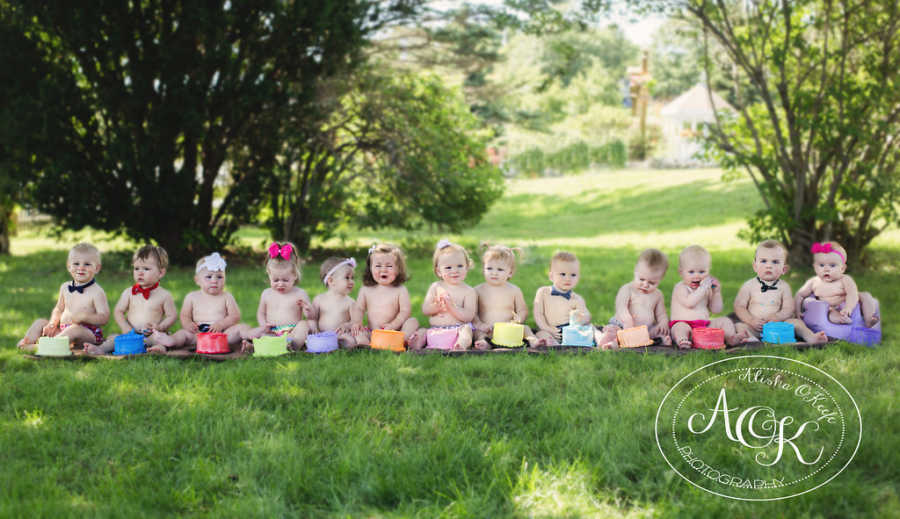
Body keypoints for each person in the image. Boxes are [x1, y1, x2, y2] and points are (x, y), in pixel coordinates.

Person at [85, 245, 178, 354]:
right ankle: (100, 349)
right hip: (131, 334)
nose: (140, 272)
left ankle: (158, 349)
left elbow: (172, 315)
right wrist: (125, 327)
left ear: (161, 273)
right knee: (114, 339)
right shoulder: (129, 292)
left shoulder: (164, 295)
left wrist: (160, 327)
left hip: (151, 335)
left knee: (161, 340)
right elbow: (118, 311)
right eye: (136, 268)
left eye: (146, 269)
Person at [18, 243, 110, 351]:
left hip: (87, 334)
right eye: (76, 263)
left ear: (97, 268)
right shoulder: (65, 287)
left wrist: (84, 317)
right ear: (68, 266)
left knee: (75, 329)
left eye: (87, 264)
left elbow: (104, 317)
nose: (81, 268)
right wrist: (52, 324)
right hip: (63, 331)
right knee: (40, 322)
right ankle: (28, 342)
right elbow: (59, 309)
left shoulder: (97, 292)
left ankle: (48, 347)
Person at [732, 240, 828, 343]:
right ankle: (752, 339)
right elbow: (739, 306)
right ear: (755, 266)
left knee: (797, 322)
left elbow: (789, 308)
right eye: (763, 261)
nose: (769, 266)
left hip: (778, 328)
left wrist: (778, 316)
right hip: (754, 327)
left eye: (775, 262)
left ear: (784, 269)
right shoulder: (749, 286)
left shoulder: (784, 287)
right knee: (739, 326)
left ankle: (810, 337)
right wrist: (750, 320)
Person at [155, 252, 248, 350]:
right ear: (197, 280)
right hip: (198, 336)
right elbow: (184, 315)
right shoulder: (192, 297)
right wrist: (188, 324)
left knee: (242, 327)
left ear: (225, 279)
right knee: (182, 334)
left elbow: (235, 316)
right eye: (209, 277)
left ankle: (250, 340)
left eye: (219, 277)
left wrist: (221, 324)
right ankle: (171, 341)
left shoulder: (227, 296)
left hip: (222, 336)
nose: (214, 281)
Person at [240, 242, 315, 352]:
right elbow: (261, 313)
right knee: (261, 335)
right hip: (272, 331)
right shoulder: (266, 293)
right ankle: (254, 347)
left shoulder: (300, 293)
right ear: (269, 274)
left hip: (292, 332)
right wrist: (264, 325)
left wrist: (308, 309)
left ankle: (292, 347)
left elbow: (310, 317)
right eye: (275, 280)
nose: (280, 284)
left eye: (285, 280)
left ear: (295, 275)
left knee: (304, 325)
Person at [669, 245, 748, 349]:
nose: (697, 276)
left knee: (725, 320)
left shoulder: (706, 289)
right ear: (681, 272)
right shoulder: (680, 288)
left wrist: (716, 293)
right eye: (691, 272)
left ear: (708, 271)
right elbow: (689, 303)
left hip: (704, 327)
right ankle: (682, 341)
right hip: (685, 325)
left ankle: (731, 338)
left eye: (702, 272)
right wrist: (702, 288)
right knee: (679, 328)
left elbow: (716, 310)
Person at [596, 248, 671, 349]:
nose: (645, 284)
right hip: (622, 325)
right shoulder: (628, 289)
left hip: (644, 330)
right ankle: (612, 343)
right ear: (635, 271)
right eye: (641, 279)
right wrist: (628, 321)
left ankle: (657, 339)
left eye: (652, 283)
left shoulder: (657, 295)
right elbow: (621, 307)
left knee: (659, 332)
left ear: (660, 279)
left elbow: (661, 314)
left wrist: (663, 323)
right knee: (613, 331)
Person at [409, 239, 477, 350]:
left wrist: (452, 307)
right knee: (422, 331)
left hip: (457, 330)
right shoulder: (436, 287)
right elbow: (425, 310)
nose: (455, 271)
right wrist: (437, 307)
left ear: (467, 267)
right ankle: (416, 344)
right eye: (448, 267)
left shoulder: (469, 291)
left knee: (467, 330)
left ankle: (460, 345)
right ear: (439, 271)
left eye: (460, 266)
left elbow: (468, 316)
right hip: (436, 330)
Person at [472, 244, 542, 349]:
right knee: (477, 332)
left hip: (509, 331)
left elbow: (522, 310)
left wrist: (519, 319)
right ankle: (483, 342)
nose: (494, 273)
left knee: (525, 328)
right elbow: (472, 313)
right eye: (489, 268)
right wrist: (480, 325)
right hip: (488, 330)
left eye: (500, 269)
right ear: (483, 269)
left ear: (510, 273)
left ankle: (532, 340)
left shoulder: (514, 290)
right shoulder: (477, 290)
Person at [794, 241, 880, 327]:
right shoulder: (814, 282)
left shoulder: (845, 279)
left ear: (842, 268)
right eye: (821, 265)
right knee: (827, 310)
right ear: (815, 267)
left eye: (832, 265)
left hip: (849, 305)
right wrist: (797, 311)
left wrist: (848, 307)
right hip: (830, 308)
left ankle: (869, 319)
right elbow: (800, 295)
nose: (826, 269)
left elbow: (852, 294)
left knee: (865, 295)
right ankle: (841, 320)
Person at [355, 243, 419, 346]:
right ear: (370, 268)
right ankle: (366, 344)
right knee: (358, 332)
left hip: (396, 331)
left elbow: (405, 311)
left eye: (389, 266)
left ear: (398, 269)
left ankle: (402, 340)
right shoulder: (365, 290)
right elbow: (359, 308)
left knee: (412, 321)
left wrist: (393, 325)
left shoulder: (400, 290)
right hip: (373, 331)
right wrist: (357, 322)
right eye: (378, 266)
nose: (383, 269)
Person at [532, 251, 593, 345]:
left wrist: (582, 318)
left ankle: (602, 339)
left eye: (573, 275)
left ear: (578, 277)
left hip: (570, 331)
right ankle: (553, 344)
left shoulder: (576, 298)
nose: (568, 278)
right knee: (541, 334)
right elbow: (538, 314)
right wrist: (547, 328)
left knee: (591, 328)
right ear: (551, 276)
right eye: (563, 274)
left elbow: (586, 315)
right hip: (549, 329)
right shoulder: (543, 292)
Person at [310, 257, 365, 349]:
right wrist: (314, 328)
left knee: (350, 340)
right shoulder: (319, 299)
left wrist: (347, 325)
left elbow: (355, 322)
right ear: (331, 281)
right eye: (347, 278)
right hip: (322, 334)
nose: (351, 281)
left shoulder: (350, 302)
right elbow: (313, 318)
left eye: (352, 278)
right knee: (309, 334)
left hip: (341, 335)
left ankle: (341, 346)